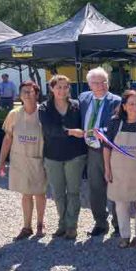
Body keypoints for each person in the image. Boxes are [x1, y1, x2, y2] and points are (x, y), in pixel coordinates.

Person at [39, 75, 87, 240]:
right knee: (58, 193)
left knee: (73, 192)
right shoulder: (44, 108)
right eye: (58, 87)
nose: (62, 90)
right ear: (52, 88)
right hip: (53, 156)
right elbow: (49, 130)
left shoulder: (76, 106)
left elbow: (84, 127)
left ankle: (71, 226)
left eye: (65, 87)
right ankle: (62, 224)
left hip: (75, 155)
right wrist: (71, 132)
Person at [0, 80, 47, 241]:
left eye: (31, 91)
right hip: (20, 160)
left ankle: (40, 224)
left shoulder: (44, 113)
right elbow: (7, 139)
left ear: (37, 94)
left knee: (39, 192)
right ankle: (27, 226)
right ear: (19, 95)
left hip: (39, 158)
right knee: (26, 193)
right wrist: (1, 161)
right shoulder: (14, 114)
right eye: (24, 91)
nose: (27, 94)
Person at [103, 90, 136, 249]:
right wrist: (107, 169)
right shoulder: (114, 122)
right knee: (120, 205)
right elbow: (106, 147)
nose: (134, 107)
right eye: (131, 104)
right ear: (123, 106)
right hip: (118, 172)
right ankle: (124, 236)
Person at [78, 67, 121, 237]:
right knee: (95, 188)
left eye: (104, 81)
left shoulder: (117, 101)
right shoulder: (83, 99)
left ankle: (119, 224)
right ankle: (101, 223)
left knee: (116, 187)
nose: (101, 85)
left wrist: (101, 130)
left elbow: (117, 126)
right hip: (92, 151)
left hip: (111, 151)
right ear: (89, 85)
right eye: (96, 82)